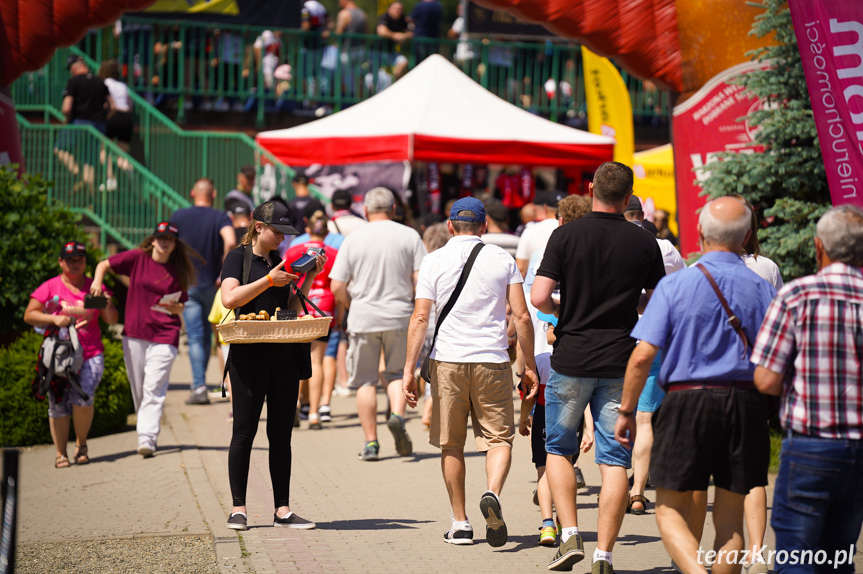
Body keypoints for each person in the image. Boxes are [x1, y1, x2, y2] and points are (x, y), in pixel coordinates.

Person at [614, 197, 775, 574]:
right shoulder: (763, 288)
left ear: (700, 233)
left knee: (669, 511)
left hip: (687, 403)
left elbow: (641, 356)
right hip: (744, 402)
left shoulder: (676, 286)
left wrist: (626, 410)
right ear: (748, 236)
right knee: (731, 519)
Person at [531, 162, 665, 573]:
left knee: (559, 448)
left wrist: (562, 313)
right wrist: (631, 310)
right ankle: (604, 554)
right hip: (618, 361)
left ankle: (569, 532)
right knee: (614, 461)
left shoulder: (565, 234)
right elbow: (656, 300)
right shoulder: (645, 242)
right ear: (628, 197)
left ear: (590, 189)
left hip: (571, 357)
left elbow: (538, 297)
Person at [402, 197, 539, 547]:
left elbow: (420, 318)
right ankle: (491, 492)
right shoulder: (501, 259)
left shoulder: (433, 260)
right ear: (484, 226)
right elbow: (521, 317)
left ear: (450, 226)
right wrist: (530, 366)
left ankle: (460, 523)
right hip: (492, 361)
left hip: (448, 361)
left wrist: (408, 370)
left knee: (451, 445)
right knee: (499, 440)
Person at [751, 205, 863, 574]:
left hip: (812, 444)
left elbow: (766, 379)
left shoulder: (797, 295)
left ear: (819, 247)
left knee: (796, 555)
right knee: (839, 556)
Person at [220, 200, 325, 531]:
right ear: (259, 227)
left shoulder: (278, 261)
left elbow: (290, 307)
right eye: (277, 231)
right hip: (249, 355)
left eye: (285, 233)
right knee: (244, 433)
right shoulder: (238, 258)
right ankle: (239, 508)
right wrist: (268, 280)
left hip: (283, 356)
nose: (282, 238)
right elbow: (230, 299)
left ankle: (283, 509)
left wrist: (306, 277)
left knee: (281, 435)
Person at [330, 187, 426, 461]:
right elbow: (420, 281)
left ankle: (371, 443)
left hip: (363, 316)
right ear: (393, 209)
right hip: (398, 314)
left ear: (366, 211)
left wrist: (352, 305)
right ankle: (397, 415)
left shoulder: (353, 239)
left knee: (365, 381)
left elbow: (337, 285)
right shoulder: (409, 235)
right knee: (396, 374)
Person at [91, 221, 196, 457]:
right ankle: (145, 428)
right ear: (153, 240)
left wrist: (174, 307)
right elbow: (104, 264)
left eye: (170, 239)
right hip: (135, 334)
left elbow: (181, 306)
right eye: (161, 237)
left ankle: (147, 438)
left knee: (153, 388)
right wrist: (97, 282)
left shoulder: (178, 269)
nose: (165, 242)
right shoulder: (137, 258)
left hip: (165, 334)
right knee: (139, 389)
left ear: (175, 244)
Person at [24, 241, 119, 468]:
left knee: (84, 398)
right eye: (70, 260)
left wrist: (105, 304)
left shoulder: (94, 286)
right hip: (59, 357)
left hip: (90, 353)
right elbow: (29, 315)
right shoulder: (50, 287)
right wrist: (54, 318)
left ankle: (81, 445)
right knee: (57, 404)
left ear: (85, 262)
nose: (76, 264)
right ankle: (60, 453)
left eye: (80, 260)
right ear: (60, 262)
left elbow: (112, 320)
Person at [621, 195, 684, 516]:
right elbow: (681, 286)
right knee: (644, 418)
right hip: (654, 338)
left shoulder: (610, 240)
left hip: (613, 338)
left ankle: (615, 481)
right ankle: (636, 491)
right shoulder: (665, 248)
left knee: (611, 412)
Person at [520, 313, 594, 547]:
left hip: (544, 416)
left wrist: (523, 419)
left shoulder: (540, 359)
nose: (546, 329)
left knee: (544, 472)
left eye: (549, 326)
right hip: (573, 418)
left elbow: (528, 396)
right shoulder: (581, 359)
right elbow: (588, 399)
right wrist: (590, 428)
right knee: (567, 468)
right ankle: (565, 522)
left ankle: (548, 525)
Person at [172, 178, 237, 404]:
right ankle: (230, 386)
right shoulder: (220, 217)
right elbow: (230, 240)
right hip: (214, 284)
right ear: (214, 194)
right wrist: (224, 269)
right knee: (218, 334)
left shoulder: (178, 217)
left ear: (193, 193)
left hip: (188, 283)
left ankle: (199, 387)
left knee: (196, 337)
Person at [284, 207, 339, 430]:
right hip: (324, 305)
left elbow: (286, 279)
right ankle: (315, 413)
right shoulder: (333, 253)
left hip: (301, 303)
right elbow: (338, 284)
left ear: (308, 228)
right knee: (317, 361)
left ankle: (296, 404)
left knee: (296, 360)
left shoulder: (295, 249)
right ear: (326, 231)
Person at [515, 190, 564, 277]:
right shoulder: (571, 230)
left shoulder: (530, 230)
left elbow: (521, 268)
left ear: (545, 208)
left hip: (534, 285)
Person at [62, 57, 112, 134]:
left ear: (73, 68)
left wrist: (69, 119)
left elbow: (66, 108)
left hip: (78, 123)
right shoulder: (100, 82)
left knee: (60, 146)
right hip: (98, 126)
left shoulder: (73, 81)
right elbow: (112, 105)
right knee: (91, 146)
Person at [97, 59, 133, 153]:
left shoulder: (103, 83)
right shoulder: (122, 85)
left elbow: (107, 103)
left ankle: (108, 168)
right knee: (123, 155)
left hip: (112, 115)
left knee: (104, 150)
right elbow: (130, 104)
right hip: (126, 116)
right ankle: (127, 167)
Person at [375, 1, 411, 80]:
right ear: (389, 9)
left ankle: (394, 83)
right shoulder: (384, 17)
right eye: (396, 9)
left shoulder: (402, 19)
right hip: (377, 52)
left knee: (403, 62)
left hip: (391, 52)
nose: (398, 11)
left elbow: (411, 32)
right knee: (376, 76)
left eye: (400, 9)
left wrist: (404, 36)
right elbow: (381, 31)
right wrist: (394, 35)